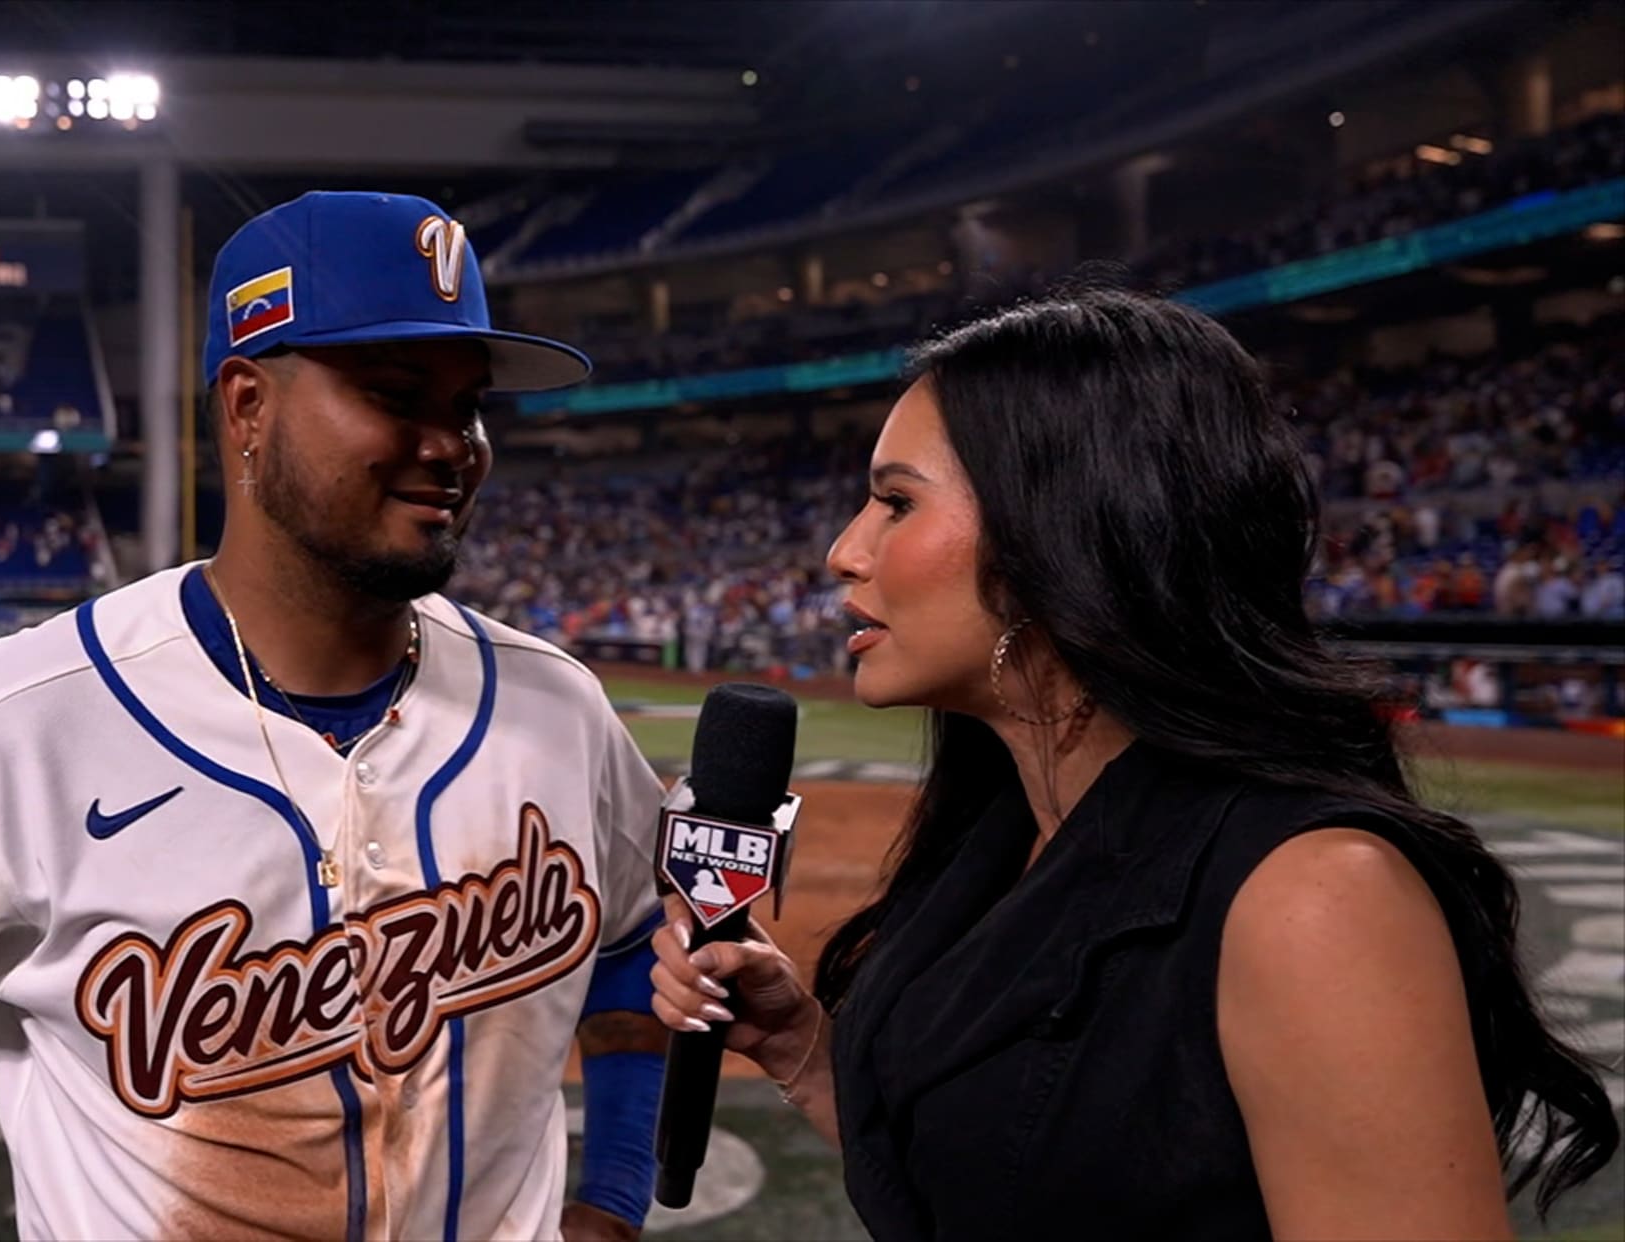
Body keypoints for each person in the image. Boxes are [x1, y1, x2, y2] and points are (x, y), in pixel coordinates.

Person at [0, 193, 671, 1242]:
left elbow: (636, 942)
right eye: (394, 394)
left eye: (468, 405)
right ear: (247, 406)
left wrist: (610, 1204)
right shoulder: (0, 730)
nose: (452, 445)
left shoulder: (559, 706)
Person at [646, 291, 1618, 1238]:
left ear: (1056, 530)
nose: (843, 551)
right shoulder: (1007, 838)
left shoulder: (1315, 899)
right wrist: (807, 1051)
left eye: (896, 502)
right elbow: (1003, 1187)